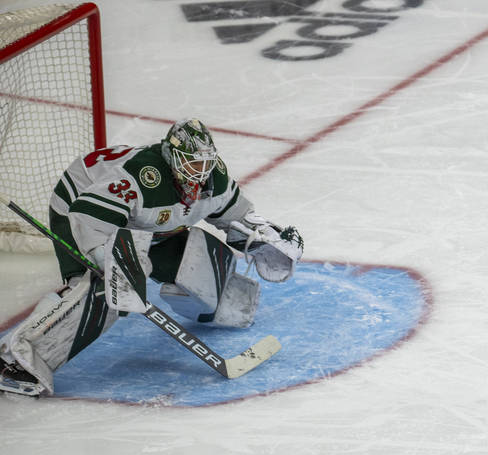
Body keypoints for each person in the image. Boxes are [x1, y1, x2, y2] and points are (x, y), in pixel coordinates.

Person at [0, 118, 303, 398]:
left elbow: (236, 217)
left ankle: (217, 302)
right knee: (106, 291)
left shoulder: (215, 177)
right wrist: (110, 262)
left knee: (191, 255)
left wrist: (263, 240)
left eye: (204, 163)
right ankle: (16, 359)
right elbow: (88, 216)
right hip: (80, 209)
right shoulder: (144, 177)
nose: (199, 172)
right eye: (191, 162)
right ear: (171, 156)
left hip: (138, 222)